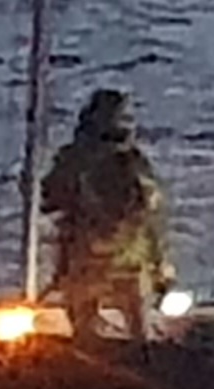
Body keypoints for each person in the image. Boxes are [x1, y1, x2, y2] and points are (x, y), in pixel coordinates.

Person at [40, 88, 173, 340]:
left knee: (89, 327)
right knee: (135, 326)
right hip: (117, 257)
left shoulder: (79, 158)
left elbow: (49, 199)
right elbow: (151, 212)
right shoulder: (130, 161)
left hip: (96, 256)